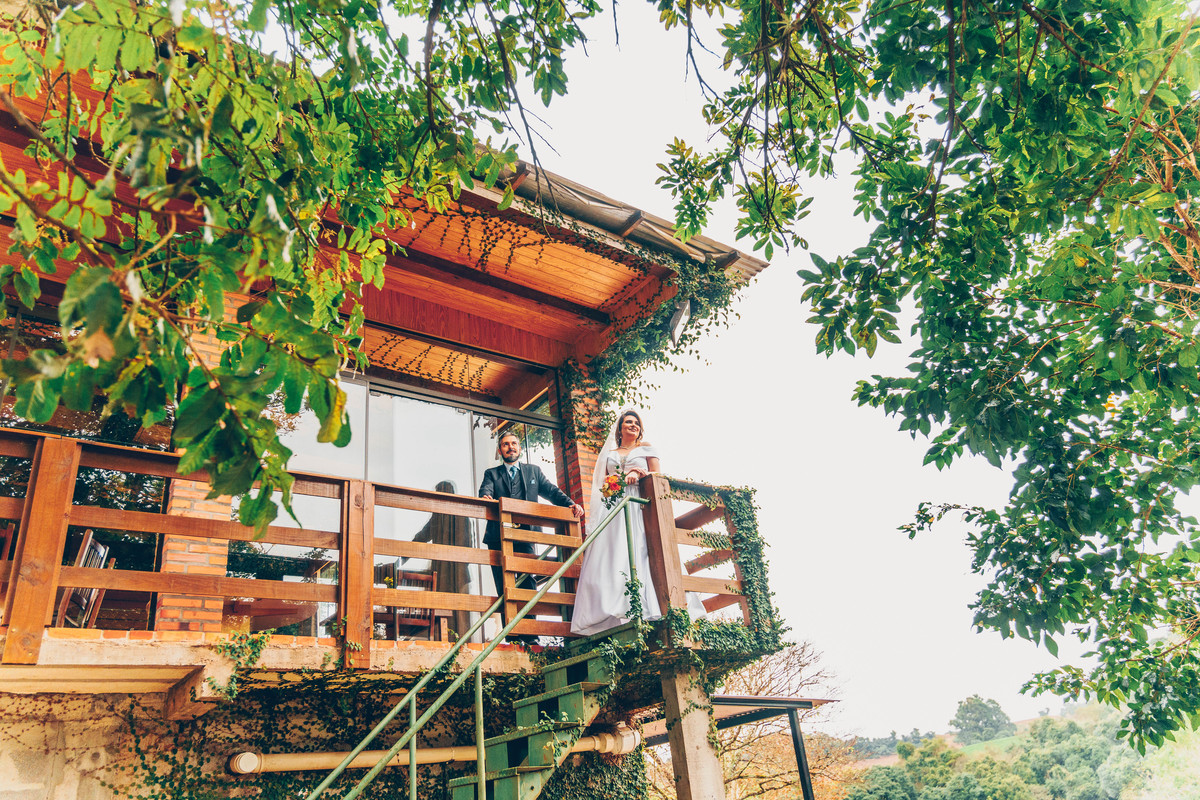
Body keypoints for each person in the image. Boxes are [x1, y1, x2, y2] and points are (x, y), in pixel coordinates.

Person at [571, 410, 703, 636]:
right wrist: (619, 480)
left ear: (640, 429)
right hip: (614, 507)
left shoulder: (647, 448)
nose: (632, 425)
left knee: (642, 548)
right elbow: (602, 486)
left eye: (636, 423)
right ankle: (612, 610)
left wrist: (640, 472)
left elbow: (658, 477)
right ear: (620, 428)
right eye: (628, 422)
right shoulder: (610, 453)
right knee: (613, 553)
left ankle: (652, 605)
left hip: (640, 505)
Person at [478, 431, 584, 612]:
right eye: (505, 444)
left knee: (527, 581)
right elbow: (485, 491)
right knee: (503, 584)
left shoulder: (533, 471)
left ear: (519, 447)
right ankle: (510, 636)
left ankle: (530, 636)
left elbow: (551, 491)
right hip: (499, 536)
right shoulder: (492, 473)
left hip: (526, 535)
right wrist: (486, 496)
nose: (510, 447)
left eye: (513, 443)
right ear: (500, 450)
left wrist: (571, 504)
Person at [411, 480, 472, 640]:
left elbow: (421, 537)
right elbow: (469, 545)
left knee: (444, 604)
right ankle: (461, 640)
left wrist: (405, 551)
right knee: (459, 608)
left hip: (445, 573)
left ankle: (445, 639)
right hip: (459, 573)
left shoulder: (438, 517)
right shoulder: (463, 517)